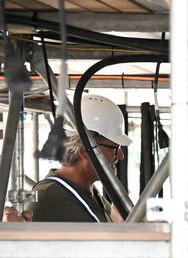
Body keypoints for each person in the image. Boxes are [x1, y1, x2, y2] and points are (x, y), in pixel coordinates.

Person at [27, 94, 131, 223]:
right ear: (85, 152)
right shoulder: (46, 198)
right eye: (114, 148)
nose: (120, 155)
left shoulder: (89, 193)